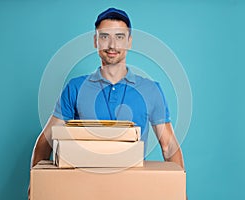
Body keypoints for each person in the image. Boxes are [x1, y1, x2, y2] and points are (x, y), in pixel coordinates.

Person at [29, 7, 185, 198]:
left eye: (119, 37)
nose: (112, 45)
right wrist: (35, 186)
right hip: (82, 191)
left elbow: (169, 146)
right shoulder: (76, 87)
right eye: (104, 37)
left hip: (133, 191)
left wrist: (180, 191)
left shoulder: (150, 90)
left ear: (129, 42)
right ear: (95, 41)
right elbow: (46, 141)